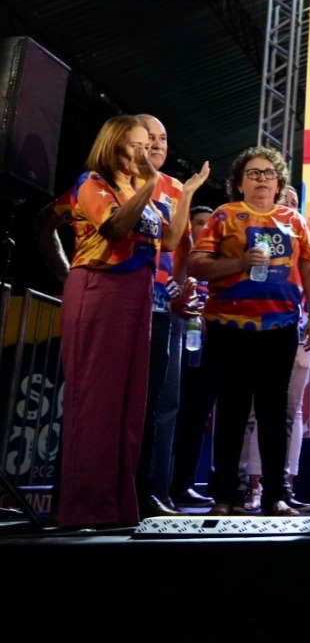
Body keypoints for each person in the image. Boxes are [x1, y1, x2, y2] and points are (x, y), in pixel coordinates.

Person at [38, 113, 199, 516]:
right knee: (96, 402)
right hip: (101, 290)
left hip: (141, 297)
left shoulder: (145, 188)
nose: (147, 152)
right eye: (138, 144)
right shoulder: (94, 183)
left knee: (130, 406)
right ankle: (83, 505)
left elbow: (171, 242)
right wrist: (66, 273)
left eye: (152, 144)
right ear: (114, 145)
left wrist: (186, 193)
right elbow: (112, 228)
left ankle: (119, 503)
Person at [189, 146, 310, 517]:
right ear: (239, 183)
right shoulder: (223, 215)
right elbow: (196, 264)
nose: (262, 179)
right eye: (253, 173)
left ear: (279, 183)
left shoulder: (294, 220)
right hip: (227, 327)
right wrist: (240, 263)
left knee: (274, 412)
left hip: (280, 328)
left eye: (268, 173)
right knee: (231, 410)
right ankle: (224, 496)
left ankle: (275, 496)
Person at [169, 204, 219, 506]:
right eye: (199, 222)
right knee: (169, 413)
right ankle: (156, 482)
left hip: (208, 348)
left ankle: (183, 484)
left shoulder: (218, 264)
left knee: (197, 415)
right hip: (173, 342)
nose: (205, 227)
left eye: (209, 223)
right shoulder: (175, 258)